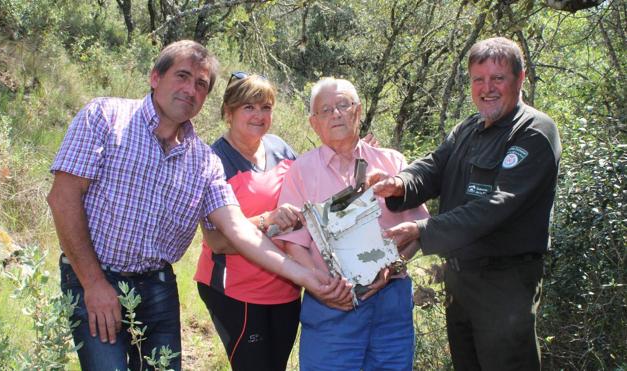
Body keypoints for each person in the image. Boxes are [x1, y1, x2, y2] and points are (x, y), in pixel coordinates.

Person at [46, 40, 341, 371]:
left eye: (201, 84)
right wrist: (94, 283)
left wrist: (308, 278)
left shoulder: (203, 161)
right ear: (155, 77)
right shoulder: (103, 117)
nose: (190, 89)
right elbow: (62, 198)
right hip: (96, 275)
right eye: (182, 76)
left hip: (157, 285)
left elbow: (239, 230)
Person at [371, 37, 562, 370]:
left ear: (520, 78)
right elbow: (433, 166)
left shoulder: (533, 132)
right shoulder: (468, 128)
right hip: (460, 281)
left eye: (497, 78)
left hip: (504, 285)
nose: (487, 88)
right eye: (478, 79)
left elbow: (497, 205)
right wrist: (399, 183)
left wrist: (421, 230)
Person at [275, 77, 429, 370]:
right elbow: (293, 243)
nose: (335, 114)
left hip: (391, 302)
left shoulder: (392, 163)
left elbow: (420, 230)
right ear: (313, 123)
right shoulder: (301, 171)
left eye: (343, 105)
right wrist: (323, 286)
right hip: (331, 303)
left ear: (358, 111)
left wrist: (393, 267)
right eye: (325, 110)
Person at [193, 73, 302, 370]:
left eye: (265, 107)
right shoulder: (213, 161)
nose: (259, 115)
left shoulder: (281, 148)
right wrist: (267, 220)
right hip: (236, 291)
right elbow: (216, 241)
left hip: (287, 285)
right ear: (229, 112)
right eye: (248, 107)